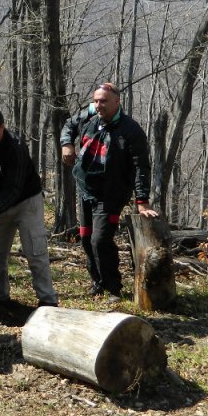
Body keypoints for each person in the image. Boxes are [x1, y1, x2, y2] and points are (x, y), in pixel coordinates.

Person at [61, 82, 158, 301]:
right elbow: (68, 125)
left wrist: (142, 200)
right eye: (96, 101)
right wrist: (67, 144)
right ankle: (98, 282)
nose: (99, 105)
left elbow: (141, 167)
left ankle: (113, 288)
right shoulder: (89, 116)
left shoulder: (131, 130)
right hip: (86, 188)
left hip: (111, 193)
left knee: (100, 240)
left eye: (104, 101)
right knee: (86, 239)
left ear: (117, 102)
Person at [0, 107, 58, 307]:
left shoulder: (16, 148)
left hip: (27, 202)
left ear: (1, 128)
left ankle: (48, 301)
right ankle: (0, 295)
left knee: (35, 251)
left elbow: (13, 189)